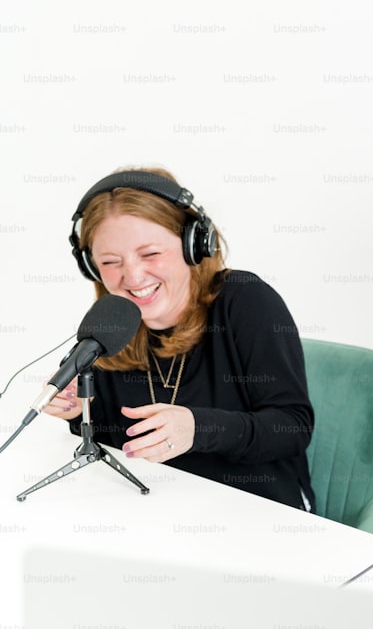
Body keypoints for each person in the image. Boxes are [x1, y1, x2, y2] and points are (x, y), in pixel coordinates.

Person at [44, 168, 315, 511]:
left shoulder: (246, 301)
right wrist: (78, 411)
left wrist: (198, 428)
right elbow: (112, 444)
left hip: (258, 511)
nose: (133, 276)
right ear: (92, 267)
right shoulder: (111, 324)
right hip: (154, 509)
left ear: (193, 245)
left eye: (150, 254)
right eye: (111, 262)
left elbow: (292, 427)